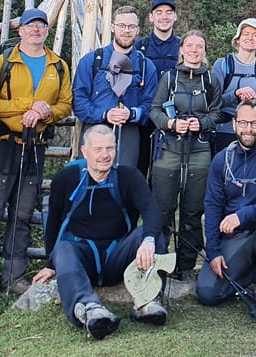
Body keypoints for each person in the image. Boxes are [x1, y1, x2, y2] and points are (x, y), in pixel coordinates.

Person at [0, 8, 73, 304]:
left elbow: (65, 103)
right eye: (30, 26)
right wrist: (29, 105)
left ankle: (14, 276)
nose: (36, 30)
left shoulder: (58, 66)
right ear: (20, 31)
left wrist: (47, 111)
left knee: (22, 214)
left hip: (35, 146)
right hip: (2, 145)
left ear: (46, 31)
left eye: (41, 26)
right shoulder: (2, 63)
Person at [32, 125, 167, 340]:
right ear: (84, 152)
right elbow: (54, 222)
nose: (105, 155)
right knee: (63, 248)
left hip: (117, 255)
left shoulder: (128, 176)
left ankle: (148, 301)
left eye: (110, 148)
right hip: (83, 255)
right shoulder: (67, 178)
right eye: (98, 149)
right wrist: (51, 263)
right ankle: (89, 309)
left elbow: (151, 211)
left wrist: (148, 240)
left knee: (154, 233)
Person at [197, 101, 256, 316]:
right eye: (243, 122)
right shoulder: (222, 160)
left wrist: (242, 215)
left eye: (254, 123)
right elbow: (212, 206)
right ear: (234, 125)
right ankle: (250, 271)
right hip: (235, 238)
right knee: (207, 293)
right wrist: (213, 252)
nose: (248, 129)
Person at [149, 30, 222, 281]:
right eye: (189, 46)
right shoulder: (169, 78)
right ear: (181, 49)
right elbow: (154, 109)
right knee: (163, 208)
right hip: (168, 149)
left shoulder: (211, 80)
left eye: (199, 47)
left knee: (193, 210)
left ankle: (186, 265)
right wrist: (170, 125)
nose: (194, 50)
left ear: (204, 51)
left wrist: (200, 123)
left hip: (200, 151)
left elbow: (217, 113)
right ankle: (159, 261)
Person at [73, 5, 158, 169]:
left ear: (138, 30)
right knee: (91, 184)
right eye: (121, 26)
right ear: (113, 27)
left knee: (123, 185)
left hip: (129, 134)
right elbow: (79, 101)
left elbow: (151, 105)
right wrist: (105, 114)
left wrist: (132, 113)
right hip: (95, 130)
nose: (126, 31)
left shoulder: (146, 66)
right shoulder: (91, 61)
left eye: (131, 26)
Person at [210, 18, 256, 156]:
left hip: (252, 131)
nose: (250, 38)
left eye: (255, 35)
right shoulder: (222, 65)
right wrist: (235, 94)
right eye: (245, 34)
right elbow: (213, 102)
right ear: (238, 39)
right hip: (223, 127)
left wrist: (252, 103)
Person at [135, 0, 181, 177]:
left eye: (169, 13)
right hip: (144, 118)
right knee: (138, 168)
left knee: (165, 174)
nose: (164, 17)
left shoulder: (183, 46)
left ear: (175, 17)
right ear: (151, 17)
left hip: (172, 119)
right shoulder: (139, 47)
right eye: (159, 13)